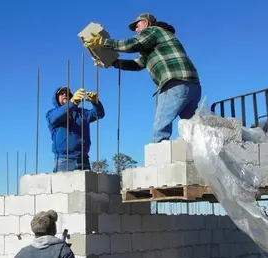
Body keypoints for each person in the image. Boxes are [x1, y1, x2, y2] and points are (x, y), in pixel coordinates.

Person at [84, 13, 201, 143]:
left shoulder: (154, 30)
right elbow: (137, 64)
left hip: (174, 83)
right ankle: (201, 152)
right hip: (191, 85)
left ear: (146, 23)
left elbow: (132, 44)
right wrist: (112, 63)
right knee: (192, 127)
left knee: (160, 126)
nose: (136, 30)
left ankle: (158, 158)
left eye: (137, 25)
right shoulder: (152, 45)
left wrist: (103, 42)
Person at [46, 86, 105, 172]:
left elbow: (99, 114)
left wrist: (96, 103)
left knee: (87, 185)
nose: (65, 94)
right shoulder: (52, 114)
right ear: (56, 98)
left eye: (66, 93)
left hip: (83, 160)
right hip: (64, 161)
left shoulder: (81, 113)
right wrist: (72, 103)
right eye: (61, 93)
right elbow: (58, 116)